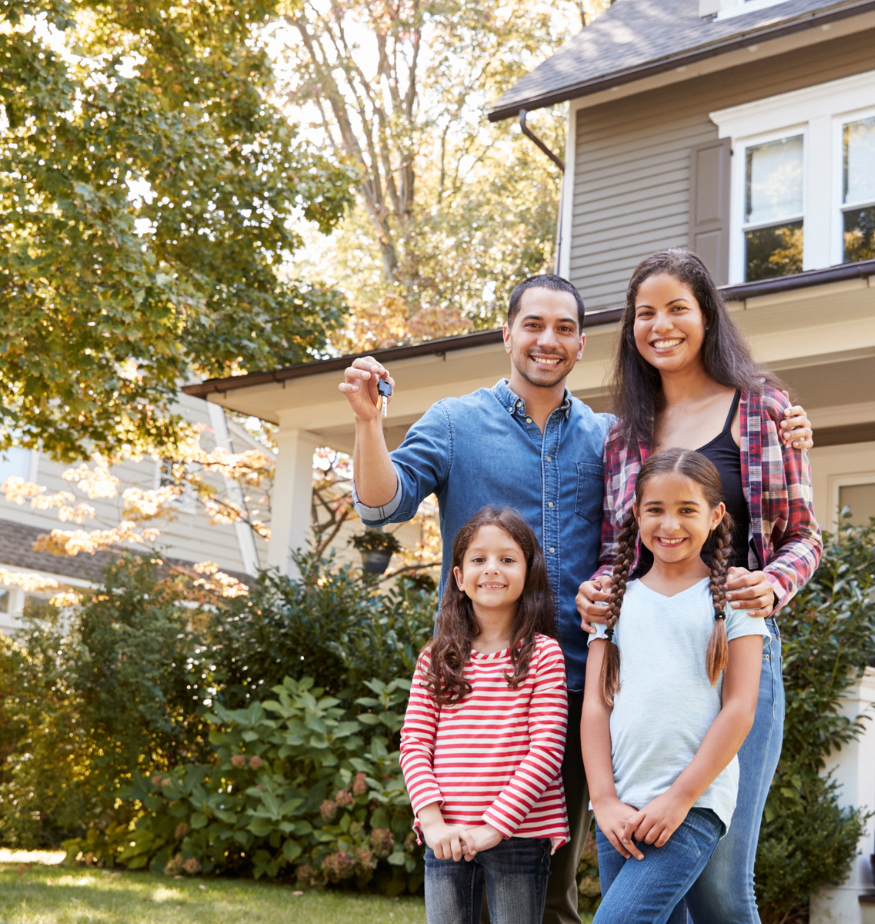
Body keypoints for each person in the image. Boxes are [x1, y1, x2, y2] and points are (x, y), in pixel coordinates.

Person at [342, 273, 812, 924]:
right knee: (472, 882)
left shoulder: (609, 436)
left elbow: (683, 496)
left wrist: (784, 428)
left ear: (582, 344)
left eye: (564, 328)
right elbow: (381, 505)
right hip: (489, 690)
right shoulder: (455, 423)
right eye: (533, 325)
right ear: (507, 334)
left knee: (555, 893)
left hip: (594, 683)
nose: (548, 340)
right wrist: (368, 422)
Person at [577, 249, 821, 924]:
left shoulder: (764, 409)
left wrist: (769, 585)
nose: (661, 325)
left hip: (731, 645)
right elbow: (617, 552)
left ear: (707, 315)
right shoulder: (624, 436)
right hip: (645, 658)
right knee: (658, 872)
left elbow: (805, 535)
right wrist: (596, 590)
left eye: (677, 308)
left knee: (719, 886)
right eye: (645, 313)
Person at [582, 449, 767, 924]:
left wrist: (680, 798)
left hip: (692, 804)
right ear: (635, 513)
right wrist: (604, 800)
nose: (670, 524)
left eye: (687, 509)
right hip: (620, 809)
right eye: (655, 509)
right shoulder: (613, 602)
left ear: (716, 515)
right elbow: (596, 707)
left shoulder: (736, 601)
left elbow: (740, 709)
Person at [402, 507, 570, 924]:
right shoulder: (436, 659)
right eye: (479, 558)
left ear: (528, 572)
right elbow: (414, 744)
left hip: (518, 835)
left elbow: (547, 749)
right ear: (459, 577)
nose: (492, 568)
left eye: (507, 559)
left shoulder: (543, 655)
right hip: (445, 837)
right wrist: (432, 823)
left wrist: (495, 826)